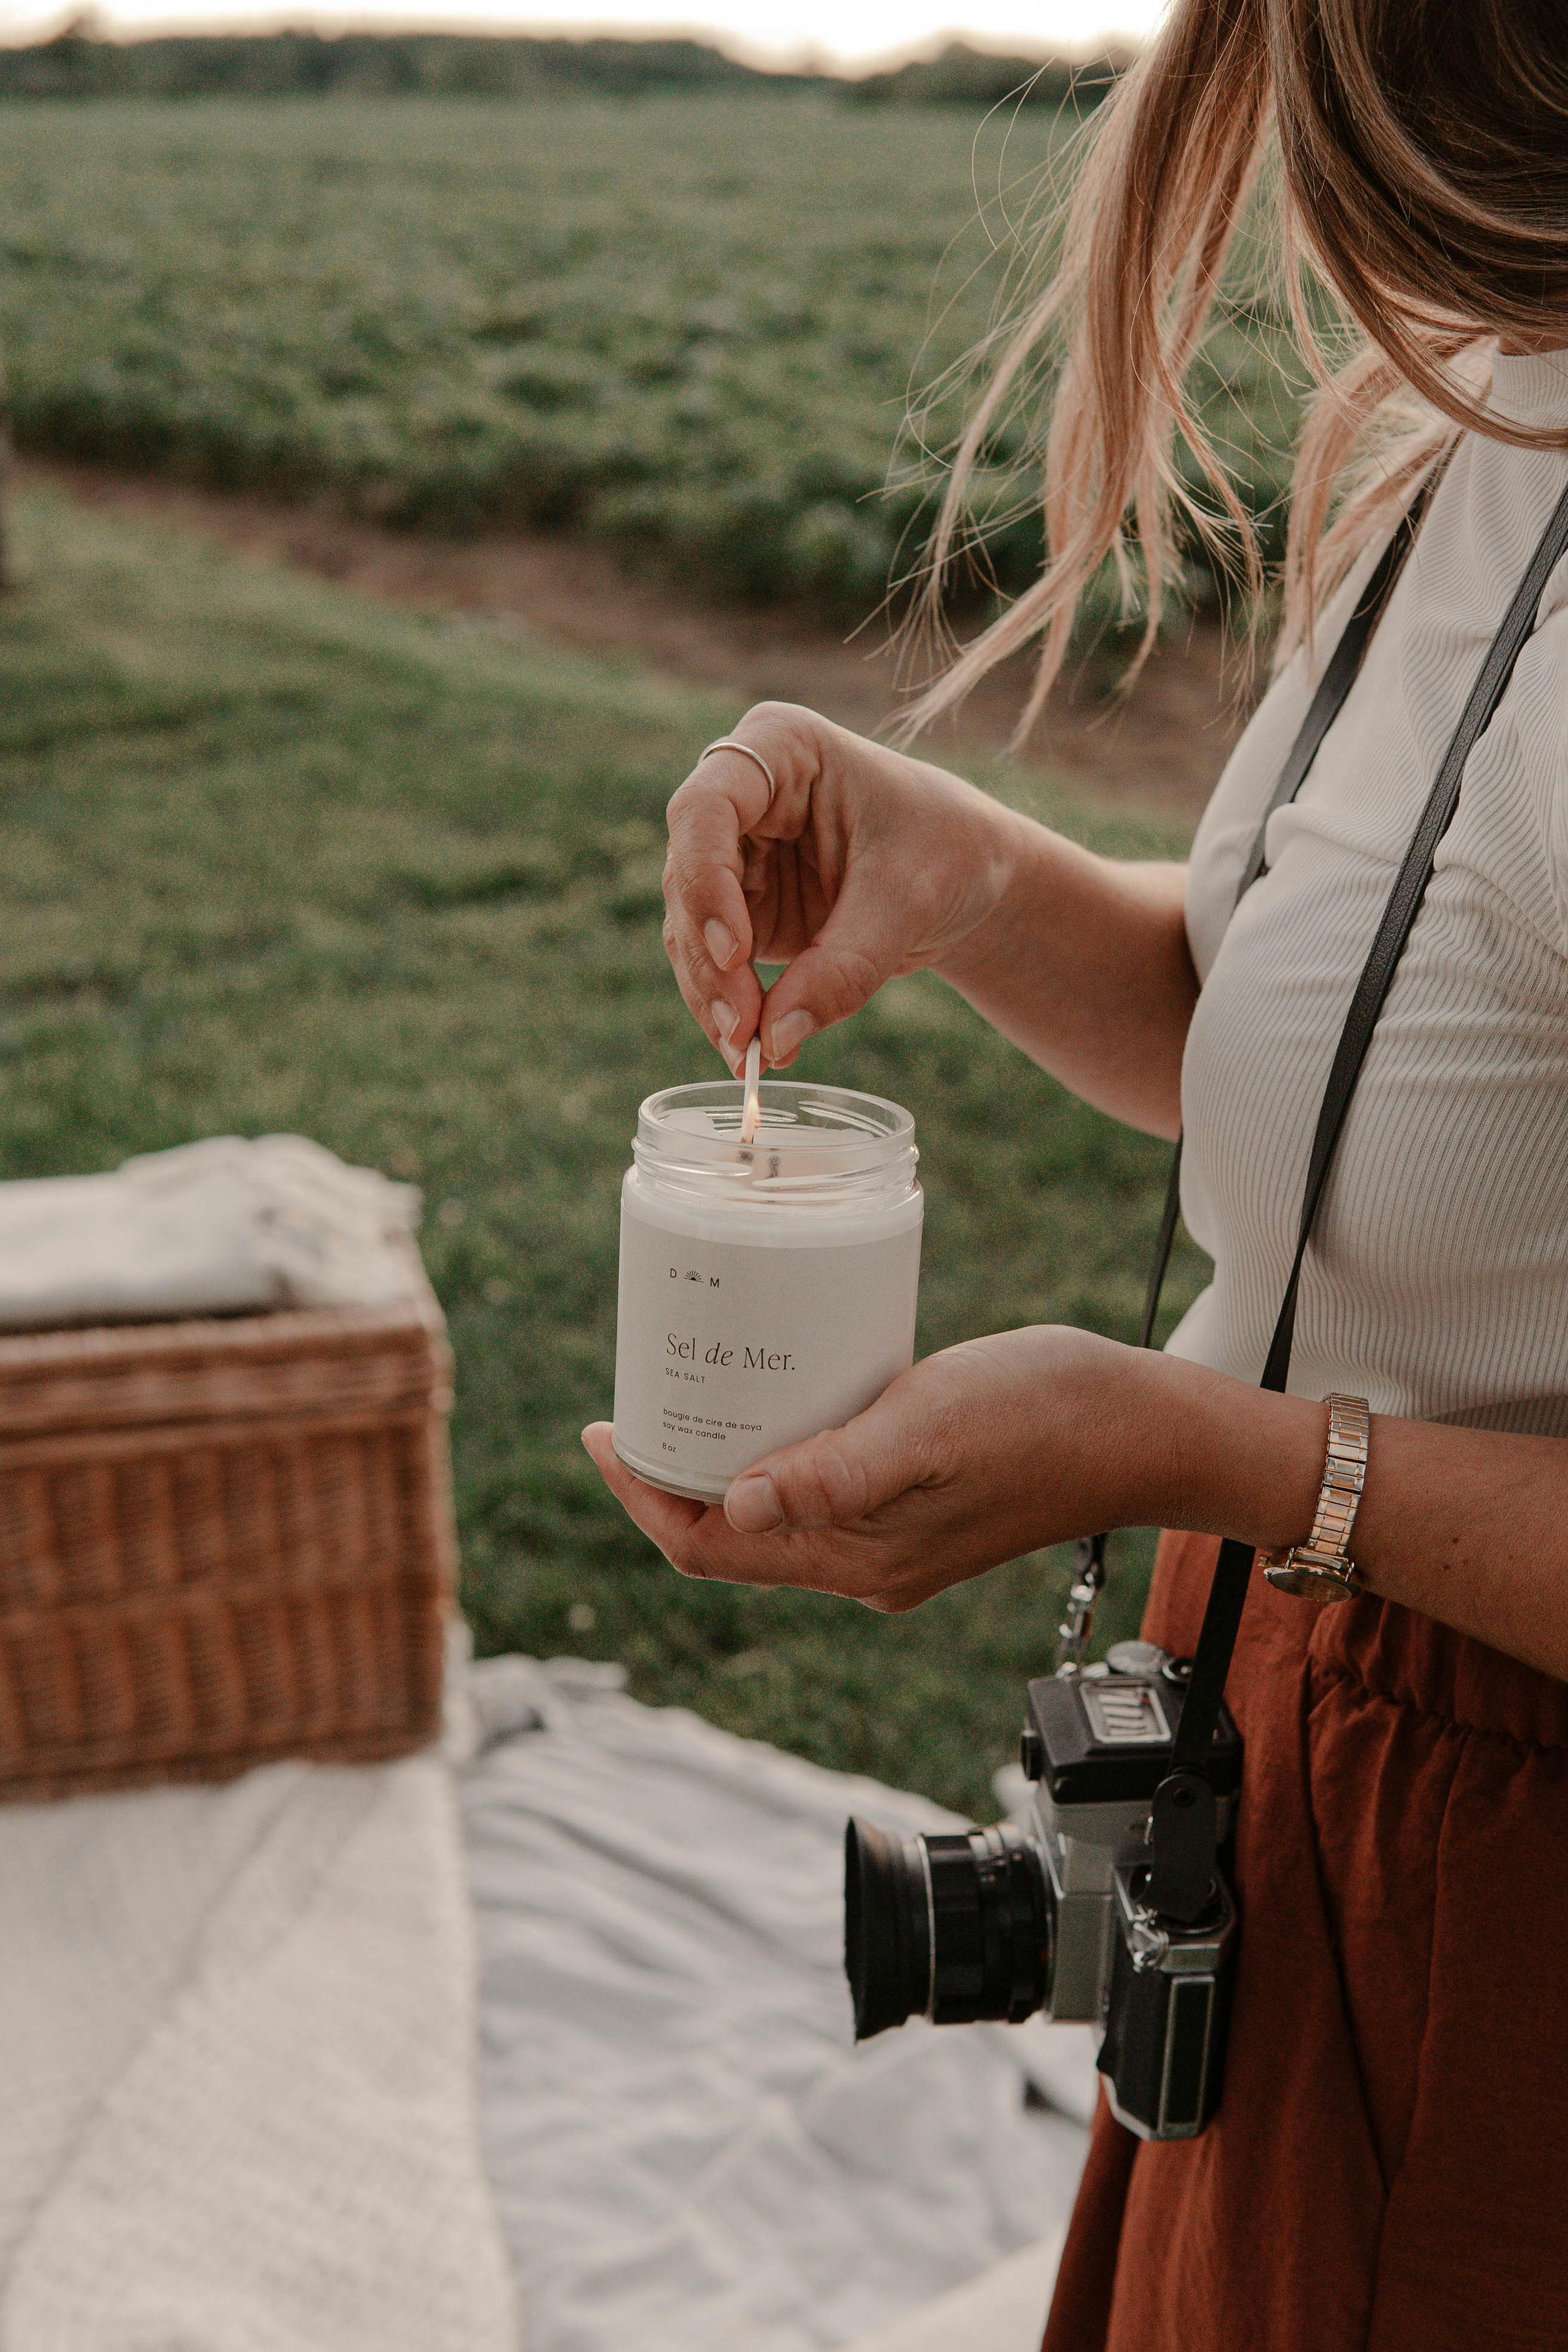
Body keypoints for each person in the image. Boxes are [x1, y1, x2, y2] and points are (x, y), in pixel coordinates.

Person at [583, 5, 1568, 2344]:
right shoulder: (1483, 408)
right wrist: (974, 879)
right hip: (1310, 1757)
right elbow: (1378, 1062)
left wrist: (1183, 1447)